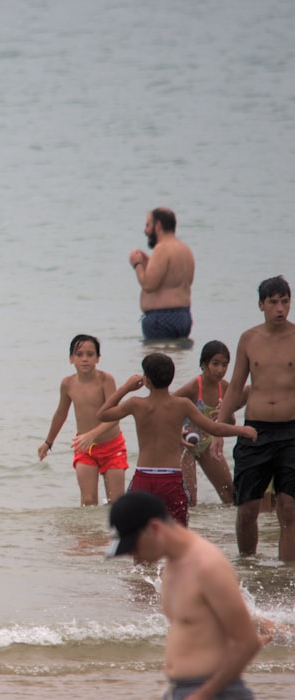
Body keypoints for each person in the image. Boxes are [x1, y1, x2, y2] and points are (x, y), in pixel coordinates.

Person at [107, 491, 261, 700]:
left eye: (133, 545)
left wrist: (205, 695)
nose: (132, 554)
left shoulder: (206, 565)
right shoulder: (171, 567)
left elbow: (247, 642)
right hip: (180, 695)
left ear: (154, 529)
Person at [98, 353, 256, 526]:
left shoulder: (136, 404)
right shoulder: (181, 405)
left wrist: (126, 388)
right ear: (171, 379)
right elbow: (214, 428)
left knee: (140, 534)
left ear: (147, 381)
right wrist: (243, 430)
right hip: (171, 480)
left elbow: (103, 414)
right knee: (177, 534)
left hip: (143, 477)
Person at [217, 276, 295, 560]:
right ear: (261, 304)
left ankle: (287, 580)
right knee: (248, 508)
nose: (280, 308)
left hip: (291, 432)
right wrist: (219, 431)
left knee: (289, 508)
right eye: (273, 302)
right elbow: (235, 387)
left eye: (285, 301)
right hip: (254, 431)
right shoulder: (249, 339)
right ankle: (248, 566)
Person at [37, 334, 127, 506]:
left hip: (112, 446)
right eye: (79, 354)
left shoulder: (106, 380)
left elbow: (115, 417)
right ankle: (89, 533)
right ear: (71, 359)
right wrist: (48, 442)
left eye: (90, 354)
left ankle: (114, 533)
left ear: (98, 358)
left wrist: (92, 434)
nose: (85, 359)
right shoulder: (68, 384)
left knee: (117, 503)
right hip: (85, 448)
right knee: (87, 501)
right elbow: (61, 414)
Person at [173, 341, 235, 506]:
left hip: (208, 444)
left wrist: (224, 414)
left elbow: (232, 423)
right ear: (203, 364)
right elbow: (166, 406)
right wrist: (176, 432)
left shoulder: (225, 388)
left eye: (225, 365)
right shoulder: (194, 387)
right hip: (185, 445)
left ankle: (222, 530)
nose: (220, 370)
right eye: (215, 364)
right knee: (189, 500)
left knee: (230, 494)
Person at [129, 207, 195, 341]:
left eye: (148, 225)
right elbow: (173, 280)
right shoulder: (185, 249)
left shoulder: (162, 248)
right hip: (183, 316)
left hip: (161, 318)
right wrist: (148, 264)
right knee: (177, 359)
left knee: (158, 360)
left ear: (157, 226)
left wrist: (136, 264)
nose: (145, 231)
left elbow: (148, 285)